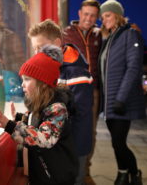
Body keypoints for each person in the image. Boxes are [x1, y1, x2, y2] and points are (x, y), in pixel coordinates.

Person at [0, 45, 79, 185]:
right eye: (22, 80)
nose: (22, 85)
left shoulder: (58, 109)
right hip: (44, 174)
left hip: (57, 177)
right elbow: (35, 121)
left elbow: (43, 138)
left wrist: (10, 126)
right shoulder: (42, 103)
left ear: (43, 83)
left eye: (27, 79)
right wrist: (18, 117)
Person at [28, 19, 93, 185]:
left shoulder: (75, 71)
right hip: (57, 142)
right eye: (34, 48)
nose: (37, 52)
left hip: (72, 145)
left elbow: (80, 113)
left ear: (57, 43)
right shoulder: (49, 66)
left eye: (40, 47)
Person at [98, 0, 145, 185]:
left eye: (108, 15)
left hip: (121, 100)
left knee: (118, 142)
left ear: (117, 15)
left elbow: (133, 67)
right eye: (102, 17)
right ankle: (125, 174)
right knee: (116, 142)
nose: (104, 20)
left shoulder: (130, 34)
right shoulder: (109, 39)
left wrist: (121, 98)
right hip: (109, 102)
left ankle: (131, 174)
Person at [62, 0, 102, 184]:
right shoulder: (66, 33)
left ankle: (85, 171)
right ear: (79, 14)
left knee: (89, 132)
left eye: (93, 15)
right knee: (69, 127)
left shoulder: (98, 35)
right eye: (86, 14)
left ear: (97, 17)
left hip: (91, 89)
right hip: (69, 87)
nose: (88, 18)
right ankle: (69, 168)